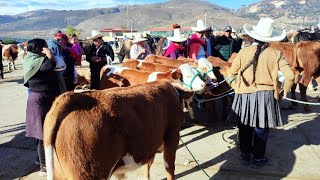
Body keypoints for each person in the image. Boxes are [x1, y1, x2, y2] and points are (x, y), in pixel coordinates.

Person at [226, 17, 295, 168]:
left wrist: (235, 86)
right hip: (266, 95)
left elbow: (231, 73)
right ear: (270, 38)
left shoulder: (243, 52)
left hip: (244, 94)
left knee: (244, 126)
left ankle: (245, 155)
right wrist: (284, 91)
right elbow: (290, 76)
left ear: (254, 35)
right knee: (261, 127)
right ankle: (258, 158)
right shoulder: (276, 53)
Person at [23, 38, 61, 176]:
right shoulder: (38, 61)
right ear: (39, 49)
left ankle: (39, 160)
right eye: (44, 46)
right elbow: (50, 65)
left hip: (40, 98)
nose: (47, 48)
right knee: (43, 134)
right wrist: (50, 54)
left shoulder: (31, 60)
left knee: (41, 132)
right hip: (41, 99)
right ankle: (44, 166)